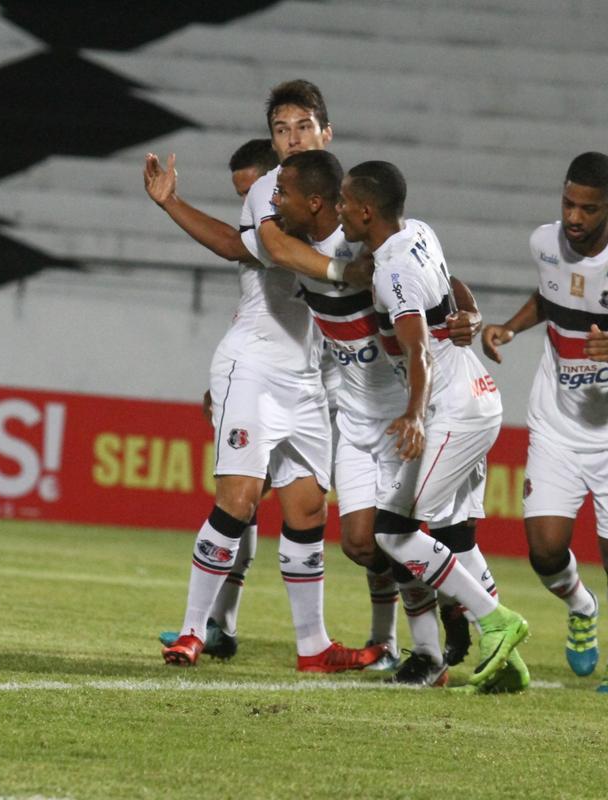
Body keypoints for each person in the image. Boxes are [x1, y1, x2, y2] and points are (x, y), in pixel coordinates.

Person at [143, 79, 385, 672]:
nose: (292, 137)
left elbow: (394, 254)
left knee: (306, 512)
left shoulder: (351, 196)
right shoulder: (272, 192)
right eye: (281, 129)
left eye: (302, 126)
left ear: (326, 131)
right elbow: (269, 249)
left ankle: (313, 647)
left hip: (309, 378)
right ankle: (195, 631)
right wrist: (344, 269)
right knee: (239, 499)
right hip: (253, 365)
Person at [272, 150, 500, 685]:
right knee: (362, 543)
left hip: (405, 410)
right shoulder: (294, 248)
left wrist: (471, 313)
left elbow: (445, 283)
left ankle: (431, 649)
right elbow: (258, 241)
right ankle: (450, 609)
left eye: (283, 194)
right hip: (355, 417)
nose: (274, 205)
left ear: (328, 203)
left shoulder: (380, 254)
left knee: (419, 534)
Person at [480, 151, 608, 696]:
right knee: (544, 549)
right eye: (568, 203)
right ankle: (580, 605)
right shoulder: (545, 243)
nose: (573, 217)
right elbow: (550, 299)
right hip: (558, 420)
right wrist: (510, 328)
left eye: (587, 209)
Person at [337, 160, 531, 693]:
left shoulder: (392, 272)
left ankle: (495, 620)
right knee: (448, 538)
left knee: (396, 533)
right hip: (475, 398)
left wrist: (414, 415)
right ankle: (503, 664)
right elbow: (453, 284)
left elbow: (418, 349)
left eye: (345, 203)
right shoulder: (419, 231)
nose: (340, 211)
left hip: (452, 410)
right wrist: (468, 312)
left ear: (367, 210)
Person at [157, 138, 279, 659]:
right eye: (240, 195)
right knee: (244, 500)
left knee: (364, 529)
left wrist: (170, 203)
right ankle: (217, 627)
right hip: (267, 376)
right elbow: (264, 309)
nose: (247, 203)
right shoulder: (270, 233)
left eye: (253, 191)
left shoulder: (307, 227)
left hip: (322, 385)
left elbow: (230, 243)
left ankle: (392, 640)